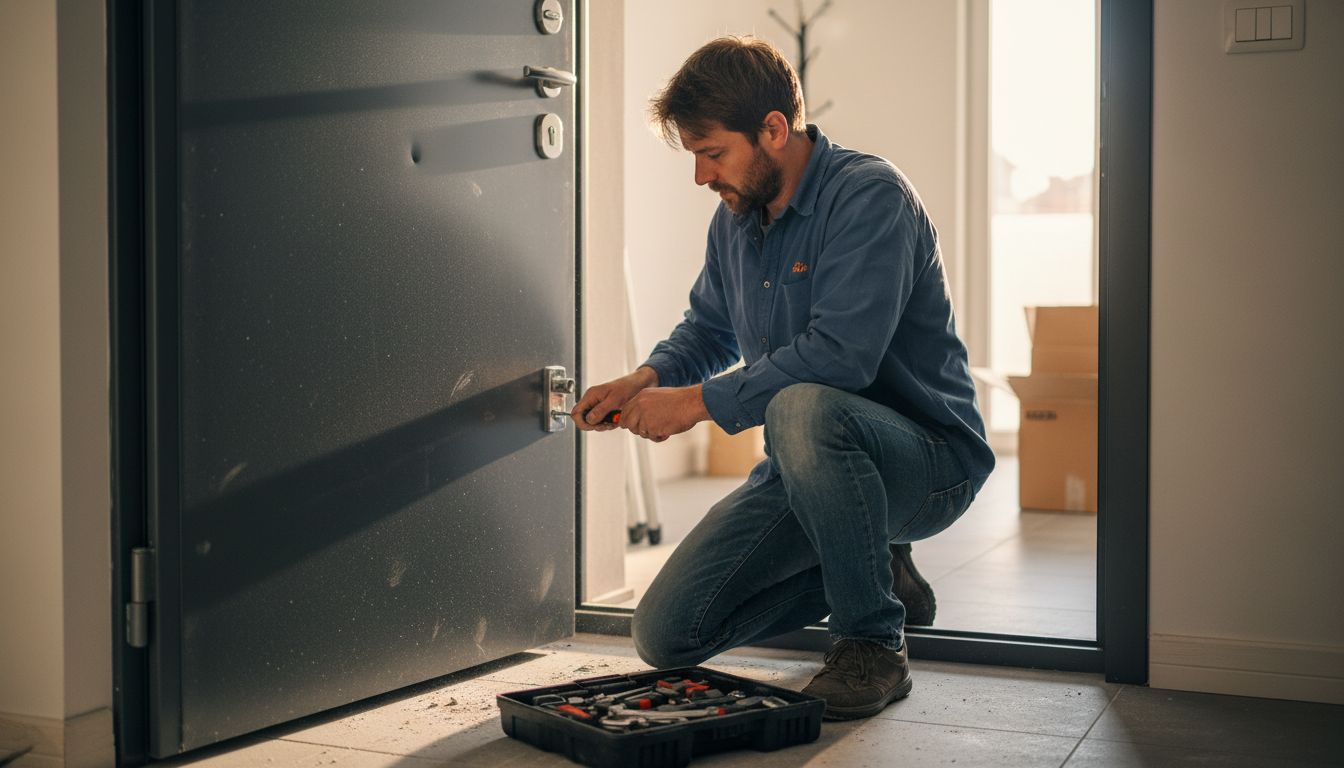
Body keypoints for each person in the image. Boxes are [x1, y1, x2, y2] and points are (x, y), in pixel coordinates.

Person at [570, 36, 994, 720]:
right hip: (809, 469)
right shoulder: (735, 218)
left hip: (929, 461)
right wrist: (642, 379)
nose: (702, 177)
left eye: (713, 154)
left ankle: (871, 642)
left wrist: (694, 405)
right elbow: (708, 329)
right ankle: (877, 571)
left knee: (800, 406)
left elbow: (840, 359)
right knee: (665, 634)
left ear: (773, 130)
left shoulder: (869, 197)